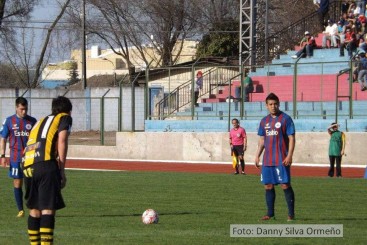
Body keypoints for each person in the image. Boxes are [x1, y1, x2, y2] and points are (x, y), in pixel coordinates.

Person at [22, 96, 72, 244]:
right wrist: (62, 169)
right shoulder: (64, 117)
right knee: (48, 208)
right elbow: (62, 140)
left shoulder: (40, 121)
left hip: (27, 166)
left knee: (34, 209)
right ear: (68, 111)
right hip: (45, 165)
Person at [254, 93, 296, 221]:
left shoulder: (286, 119)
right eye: (270, 104)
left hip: (281, 159)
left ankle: (291, 214)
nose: (273, 106)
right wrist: (257, 155)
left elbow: (292, 138)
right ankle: (270, 213)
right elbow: (262, 140)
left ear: (279, 104)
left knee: (285, 185)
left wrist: (289, 155)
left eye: (275, 104)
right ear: (266, 106)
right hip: (267, 160)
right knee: (268, 186)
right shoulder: (264, 121)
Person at [0, 97, 37, 218]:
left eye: (26, 109)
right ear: (16, 107)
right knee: (17, 181)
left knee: (31, 183)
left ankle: (32, 205)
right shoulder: (9, 121)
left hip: (30, 158)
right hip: (15, 157)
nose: (24, 112)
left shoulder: (32, 121)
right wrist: (2, 155)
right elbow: (3, 138)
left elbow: (38, 140)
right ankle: (20, 209)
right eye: (22, 109)